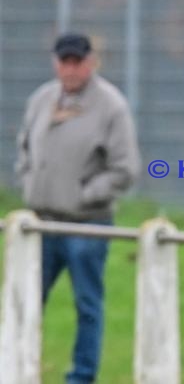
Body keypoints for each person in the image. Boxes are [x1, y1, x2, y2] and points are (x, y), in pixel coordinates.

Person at [16, 32, 141, 384]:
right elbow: (24, 147)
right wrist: (28, 180)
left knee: (87, 306)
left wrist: (82, 194)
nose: (70, 69)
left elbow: (125, 168)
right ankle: (17, 368)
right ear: (56, 62)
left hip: (86, 226)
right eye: (64, 61)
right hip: (40, 224)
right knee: (24, 303)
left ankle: (81, 377)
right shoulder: (42, 98)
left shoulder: (110, 106)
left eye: (77, 62)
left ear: (90, 62)